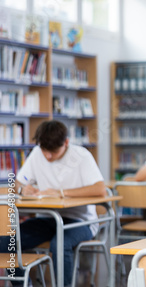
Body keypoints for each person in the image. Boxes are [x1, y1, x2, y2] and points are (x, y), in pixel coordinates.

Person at [0, 120, 106, 286]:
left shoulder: (81, 155)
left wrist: (61, 193)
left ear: (66, 143)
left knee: (60, 244)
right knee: (7, 240)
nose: (48, 156)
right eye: (44, 151)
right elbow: (18, 182)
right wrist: (22, 189)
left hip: (81, 221)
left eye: (53, 152)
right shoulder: (36, 154)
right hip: (48, 219)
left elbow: (100, 189)